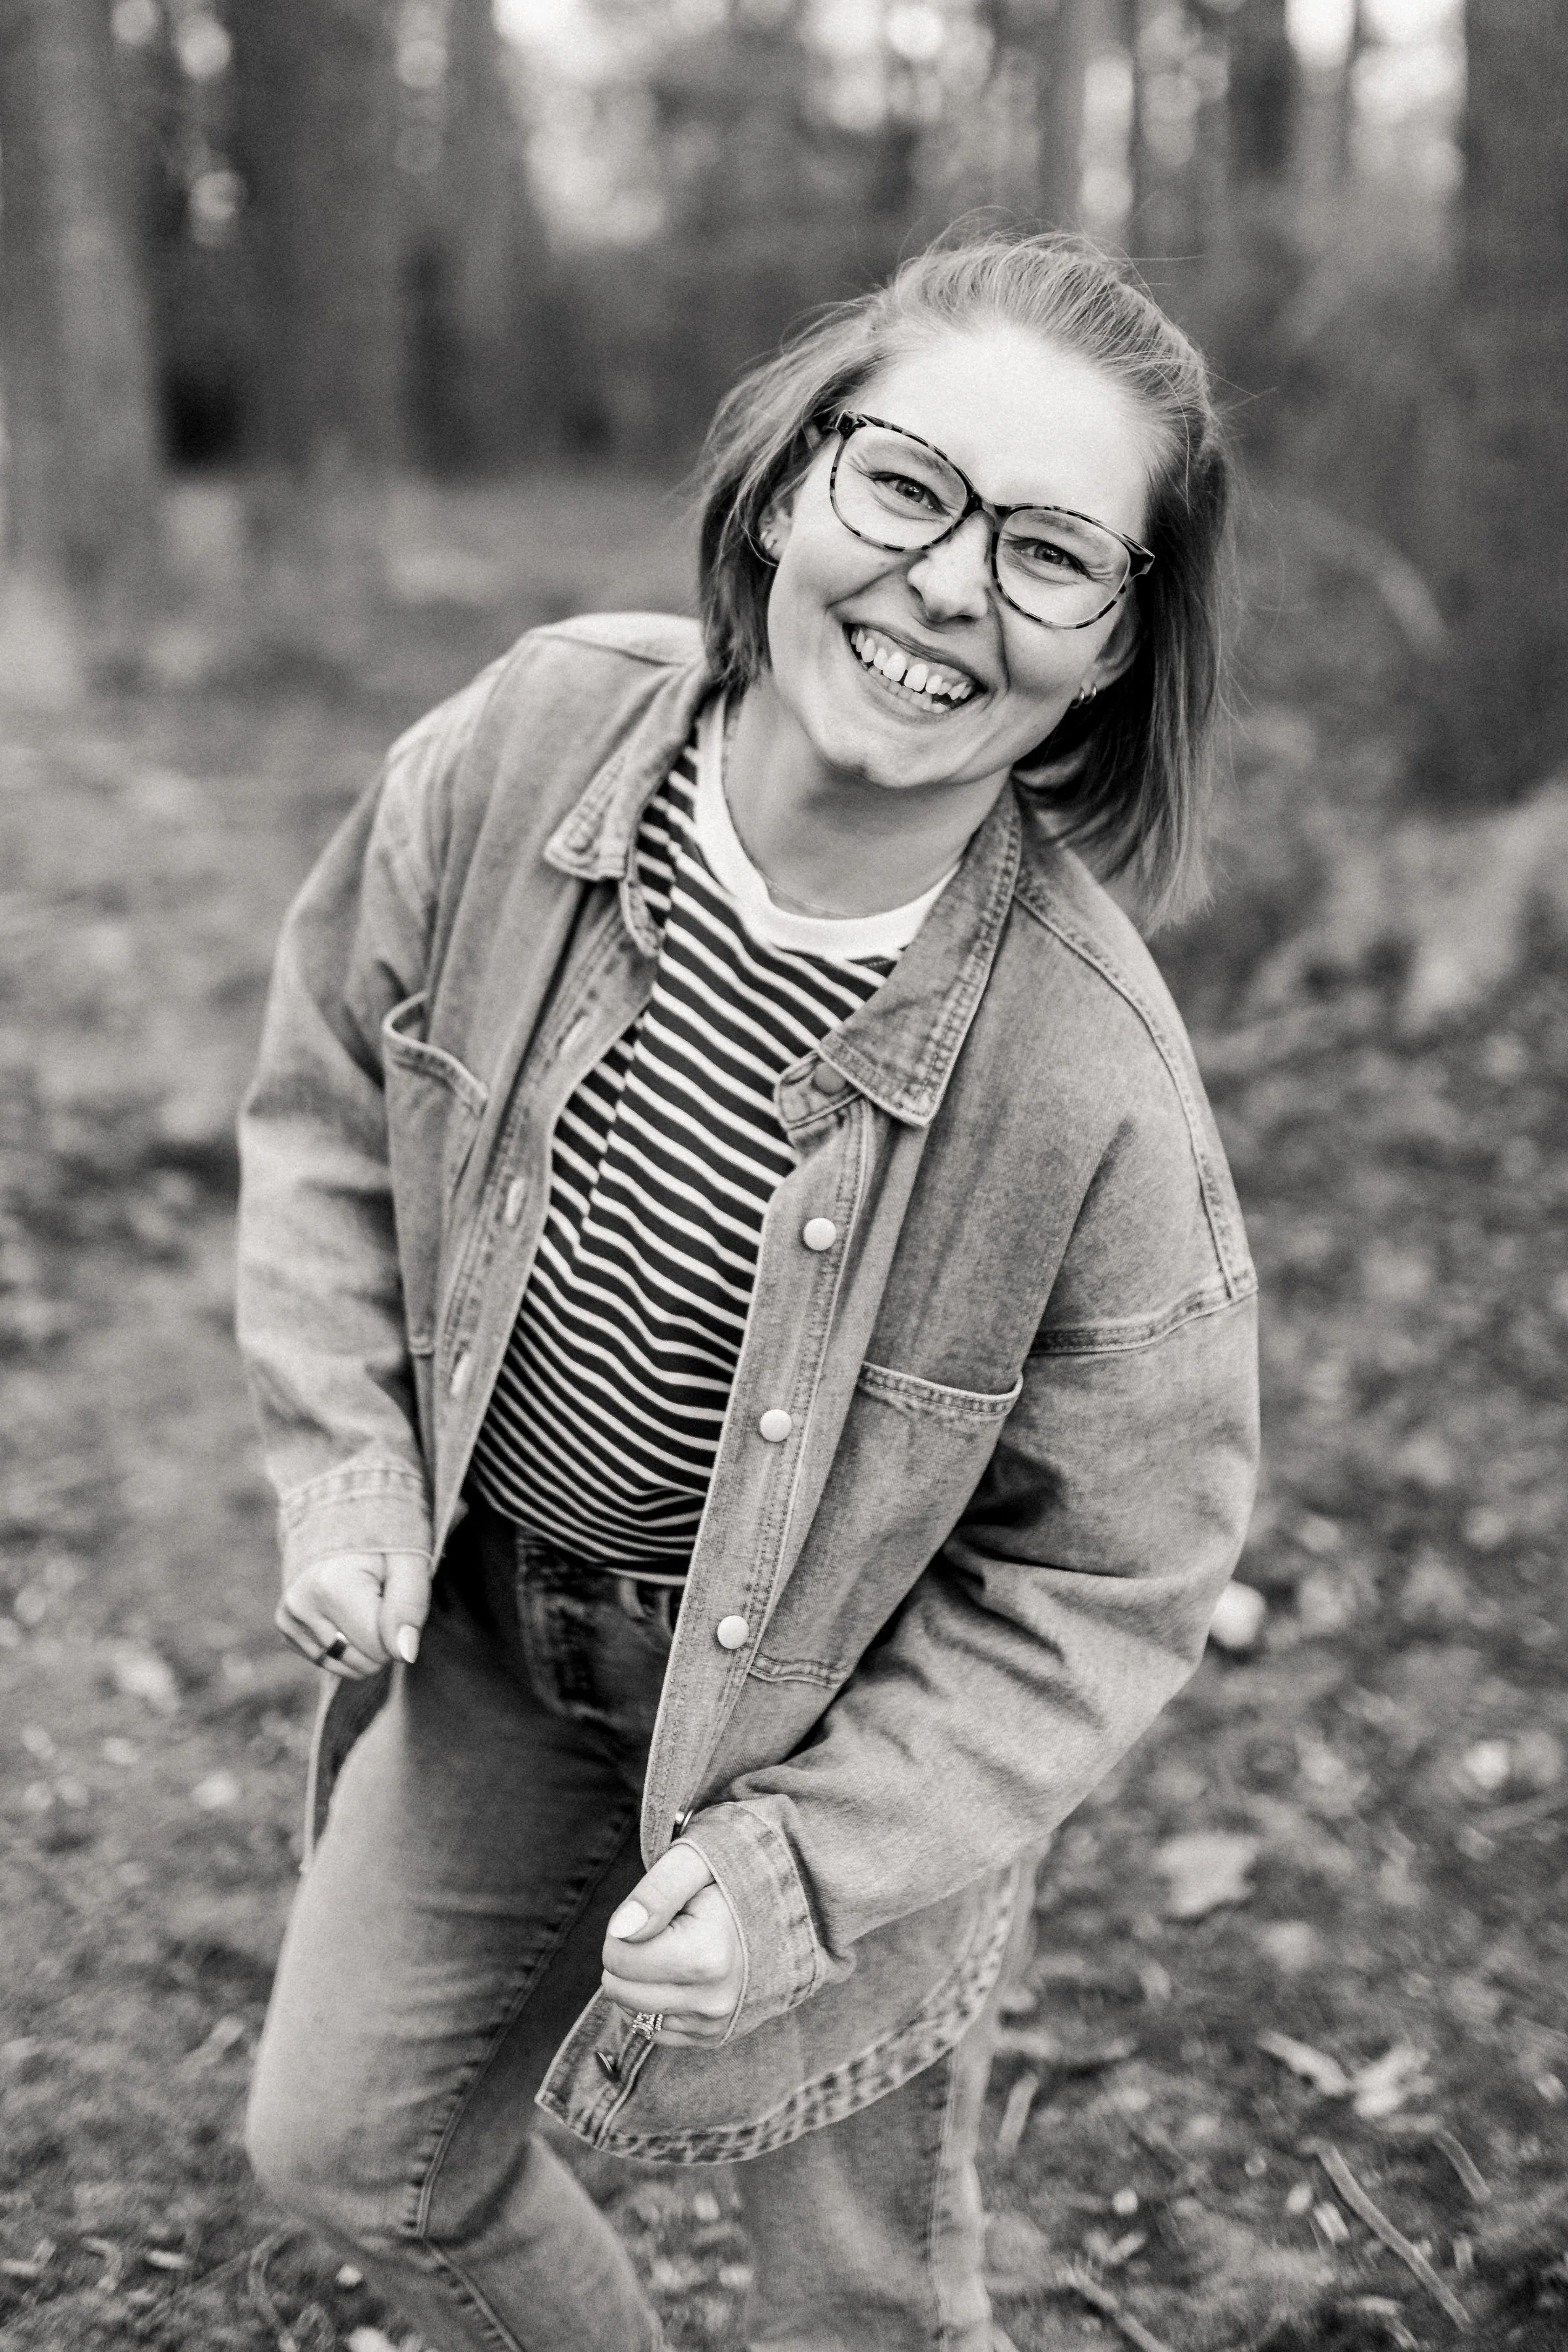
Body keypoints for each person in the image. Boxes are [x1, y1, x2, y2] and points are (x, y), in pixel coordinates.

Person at [237, 231, 1258, 2352]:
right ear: (793, 481)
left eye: (1053, 554)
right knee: (353, 2150)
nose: (951, 587)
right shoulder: (526, 746)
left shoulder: (1086, 1077)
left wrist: (812, 1859)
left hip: (839, 1764)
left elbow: (1120, 1575)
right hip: (503, 1649)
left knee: (857, 2306)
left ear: (1111, 648)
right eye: (907, 487)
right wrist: (346, 1462)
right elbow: (334, 1103)